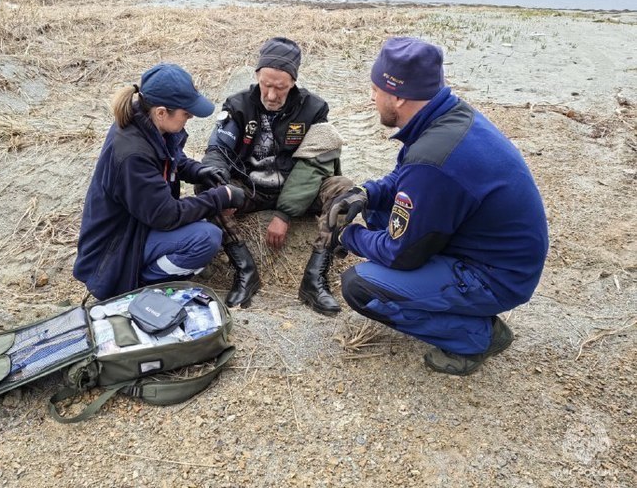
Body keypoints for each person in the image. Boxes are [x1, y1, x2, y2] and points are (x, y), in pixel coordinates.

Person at [328, 37, 549, 375]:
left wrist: (348, 237)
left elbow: (403, 253)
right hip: (492, 251)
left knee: (360, 286)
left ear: (398, 96)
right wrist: (366, 193)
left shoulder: (434, 158)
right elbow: (406, 179)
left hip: (496, 276)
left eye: (376, 89)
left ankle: (477, 336)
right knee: (375, 214)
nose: (372, 97)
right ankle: (463, 312)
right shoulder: (446, 118)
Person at [200, 37, 352, 314]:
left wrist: (284, 214)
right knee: (205, 184)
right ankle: (245, 270)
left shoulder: (315, 109)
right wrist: (221, 183)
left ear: (293, 81)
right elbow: (218, 150)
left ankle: (314, 278)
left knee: (343, 190)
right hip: (251, 189)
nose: (271, 95)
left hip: (298, 191)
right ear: (257, 76)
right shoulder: (238, 105)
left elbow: (315, 165)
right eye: (266, 85)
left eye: (280, 88)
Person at [73, 63, 245, 301]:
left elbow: (170, 157)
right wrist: (220, 197)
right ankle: (136, 284)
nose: (191, 117)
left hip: (135, 227)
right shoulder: (133, 153)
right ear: (162, 112)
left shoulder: (147, 123)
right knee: (206, 238)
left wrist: (199, 171)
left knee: (200, 221)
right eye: (186, 113)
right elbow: (167, 216)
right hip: (114, 251)